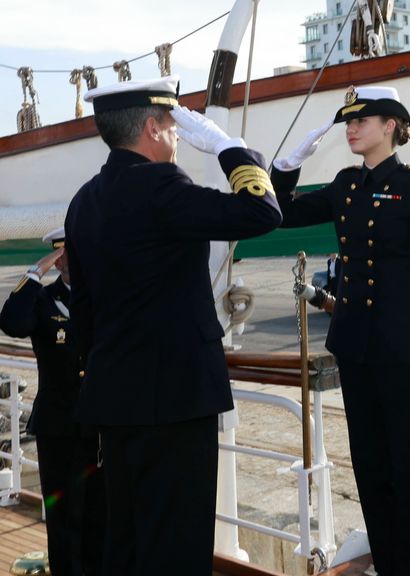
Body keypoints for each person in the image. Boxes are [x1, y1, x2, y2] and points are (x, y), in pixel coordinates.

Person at [64, 76, 281, 575]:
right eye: (174, 124)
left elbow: (86, 315)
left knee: (128, 539)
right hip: (176, 402)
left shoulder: (85, 201)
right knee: (177, 546)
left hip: (116, 400)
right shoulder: (162, 187)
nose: (182, 134)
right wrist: (230, 149)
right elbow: (261, 211)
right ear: (152, 127)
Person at [269, 85, 410, 575]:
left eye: (363, 120)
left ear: (391, 125)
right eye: (348, 121)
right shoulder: (345, 183)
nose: (351, 128)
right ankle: (389, 566)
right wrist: (287, 167)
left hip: (405, 351)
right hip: (355, 349)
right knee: (371, 466)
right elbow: (279, 212)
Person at [0, 227, 105, 576]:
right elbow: (11, 322)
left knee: (97, 513)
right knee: (61, 516)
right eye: (65, 255)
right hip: (57, 427)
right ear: (58, 259)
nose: (72, 261)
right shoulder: (43, 301)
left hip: (99, 427)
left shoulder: (104, 297)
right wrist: (35, 273)